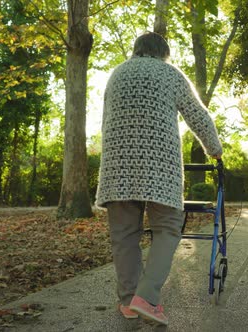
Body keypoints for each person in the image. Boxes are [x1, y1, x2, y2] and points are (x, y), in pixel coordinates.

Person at [95, 31, 222, 326]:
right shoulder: (169, 73)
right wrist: (215, 151)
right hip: (159, 167)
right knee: (168, 226)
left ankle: (128, 301)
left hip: (117, 165)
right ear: (164, 53)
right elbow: (198, 116)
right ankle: (147, 297)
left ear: (136, 50)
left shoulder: (117, 74)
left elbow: (106, 121)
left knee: (124, 235)